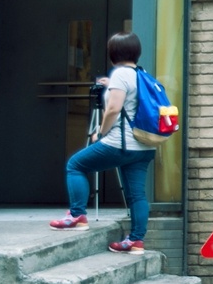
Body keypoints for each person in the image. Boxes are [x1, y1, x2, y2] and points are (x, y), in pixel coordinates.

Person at [50, 32, 157, 256]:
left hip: (120, 143)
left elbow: (113, 109)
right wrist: (111, 85)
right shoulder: (142, 73)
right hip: (144, 146)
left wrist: (100, 131)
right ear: (136, 52)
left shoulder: (120, 74)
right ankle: (135, 241)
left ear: (112, 53)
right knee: (137, 195)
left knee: (76, 165)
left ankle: (77, 216)